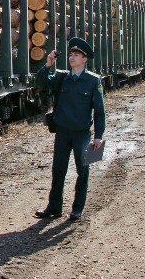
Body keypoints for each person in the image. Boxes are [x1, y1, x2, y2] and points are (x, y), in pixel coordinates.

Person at [33, 37, 106, 221]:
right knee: (58, 171)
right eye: (71, 54)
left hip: (83, 134)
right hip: (62, 132)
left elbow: (99, 112)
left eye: (76, 55)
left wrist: (98, 136)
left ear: (84, 59)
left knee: (83, 171)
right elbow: (41, 83)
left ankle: (77, 209)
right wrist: (48, 64)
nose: (72, 57)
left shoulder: (93, 81)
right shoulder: (61, 77)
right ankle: (54, 207)